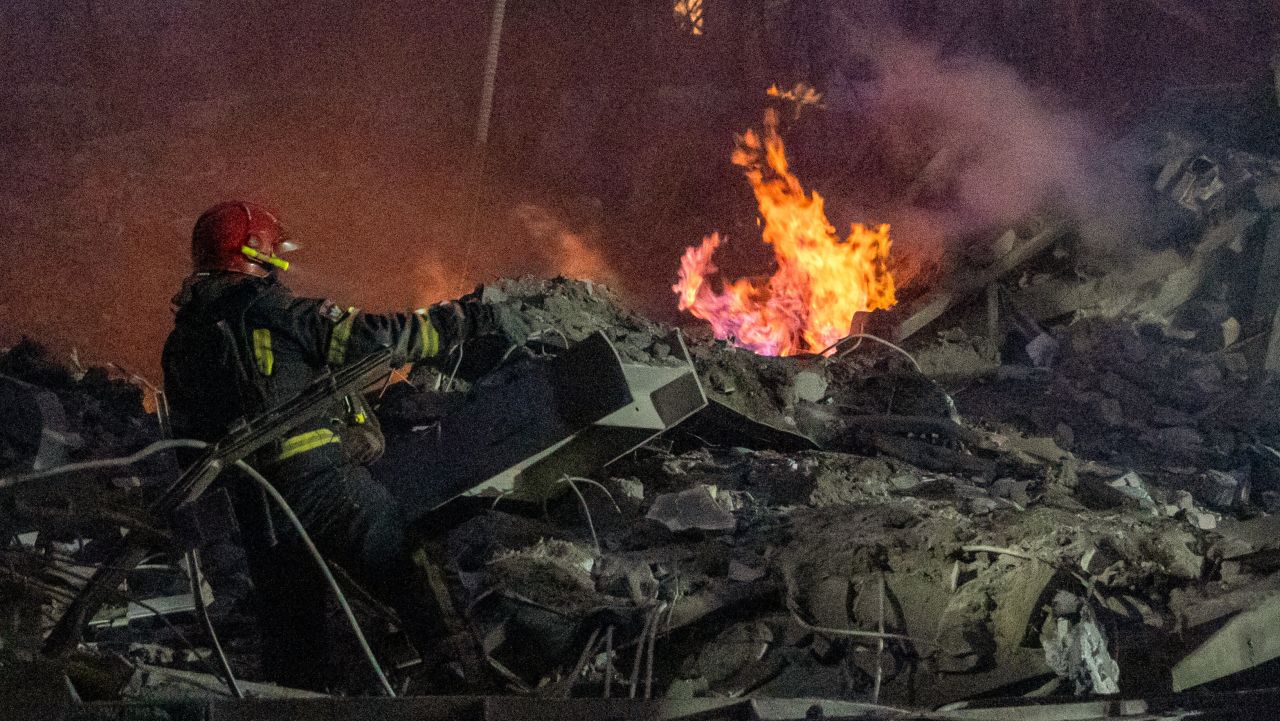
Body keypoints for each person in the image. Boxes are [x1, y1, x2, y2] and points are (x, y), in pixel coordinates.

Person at [162, 200, 519, 691]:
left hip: (257, 513)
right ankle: (469, 689)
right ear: (253, 253)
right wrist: (465, 320)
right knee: (409, 565)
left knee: (293, 648)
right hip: (323, 488)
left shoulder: (183, 342)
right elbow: (376, 340)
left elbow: (188, 446)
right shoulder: (273, 310)